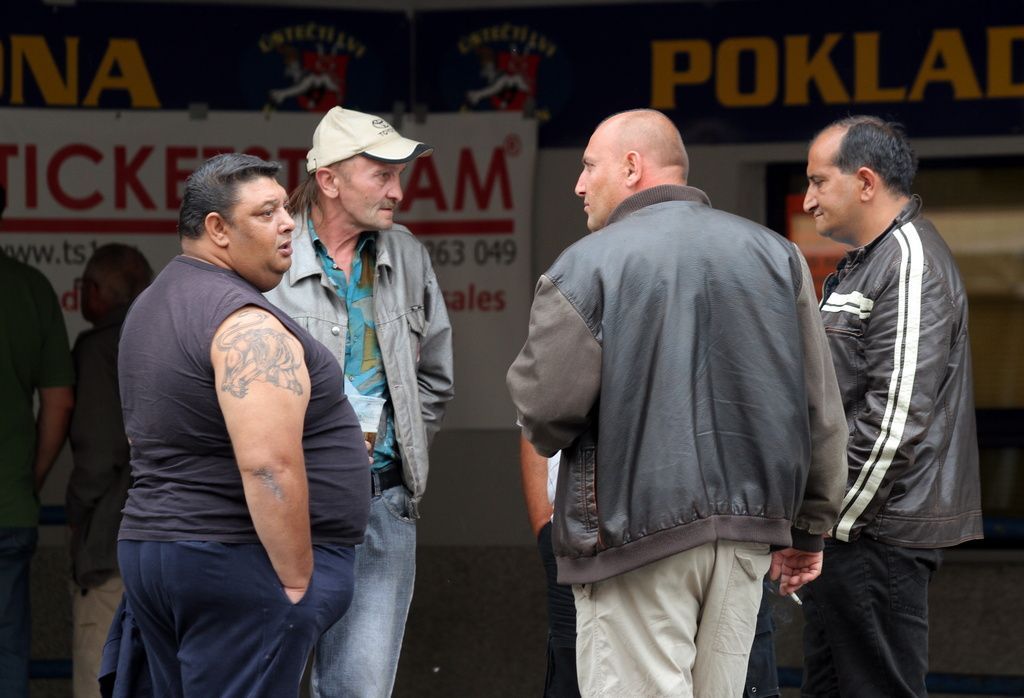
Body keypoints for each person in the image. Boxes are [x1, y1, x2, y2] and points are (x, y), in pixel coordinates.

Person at [507, 109, 849, 697]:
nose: (579, 184)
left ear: (633, 167)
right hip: (746, 538)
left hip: (633, 541)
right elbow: (820, 409)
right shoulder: (778, 257)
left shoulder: (585, 265)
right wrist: (810, 528)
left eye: (589, 166)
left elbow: (543, 412)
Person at [114, 153, 370, 696]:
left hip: (161, 550)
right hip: (235, 562)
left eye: (285, 209)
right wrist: (299, 585)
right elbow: (269, 466)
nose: (288, 223)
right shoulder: (245, 323)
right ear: (217, 229)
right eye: (267, 212)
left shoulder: (150, 306)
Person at [264, 106, 454, 697]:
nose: (398, 191)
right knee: (258, 683)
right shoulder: (268, 254)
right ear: (329, 180)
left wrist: (389, 459)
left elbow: (435, 382)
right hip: (279, 509)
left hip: (380, 508)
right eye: (382, 174)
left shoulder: (408, 254)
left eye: (401, 175)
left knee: (360, 690)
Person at [799, 116, 983, 697]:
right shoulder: (867, 261)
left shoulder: (907, 258)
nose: (807, 200)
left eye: (818, 182)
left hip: (874, 536)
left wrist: (823, 527)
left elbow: (895, 419)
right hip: (854, 535)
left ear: (866, 181)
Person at [66, 243, 152, 698]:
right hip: (176, 548)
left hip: (112, 545)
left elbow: (98, 457)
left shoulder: (99, 349)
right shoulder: (176, 336)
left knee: (101, 678)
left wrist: (76, 516)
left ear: (95, 291)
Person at [0, 184, 76, 698]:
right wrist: (31, 478)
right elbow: (59, 401)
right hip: (9, 506)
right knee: (7, 649)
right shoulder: (30, 288)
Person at [520, 438, 579, 698]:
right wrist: (546, 527)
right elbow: (532, 413)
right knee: (572, 677)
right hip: (573, 539)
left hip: (660, 535)